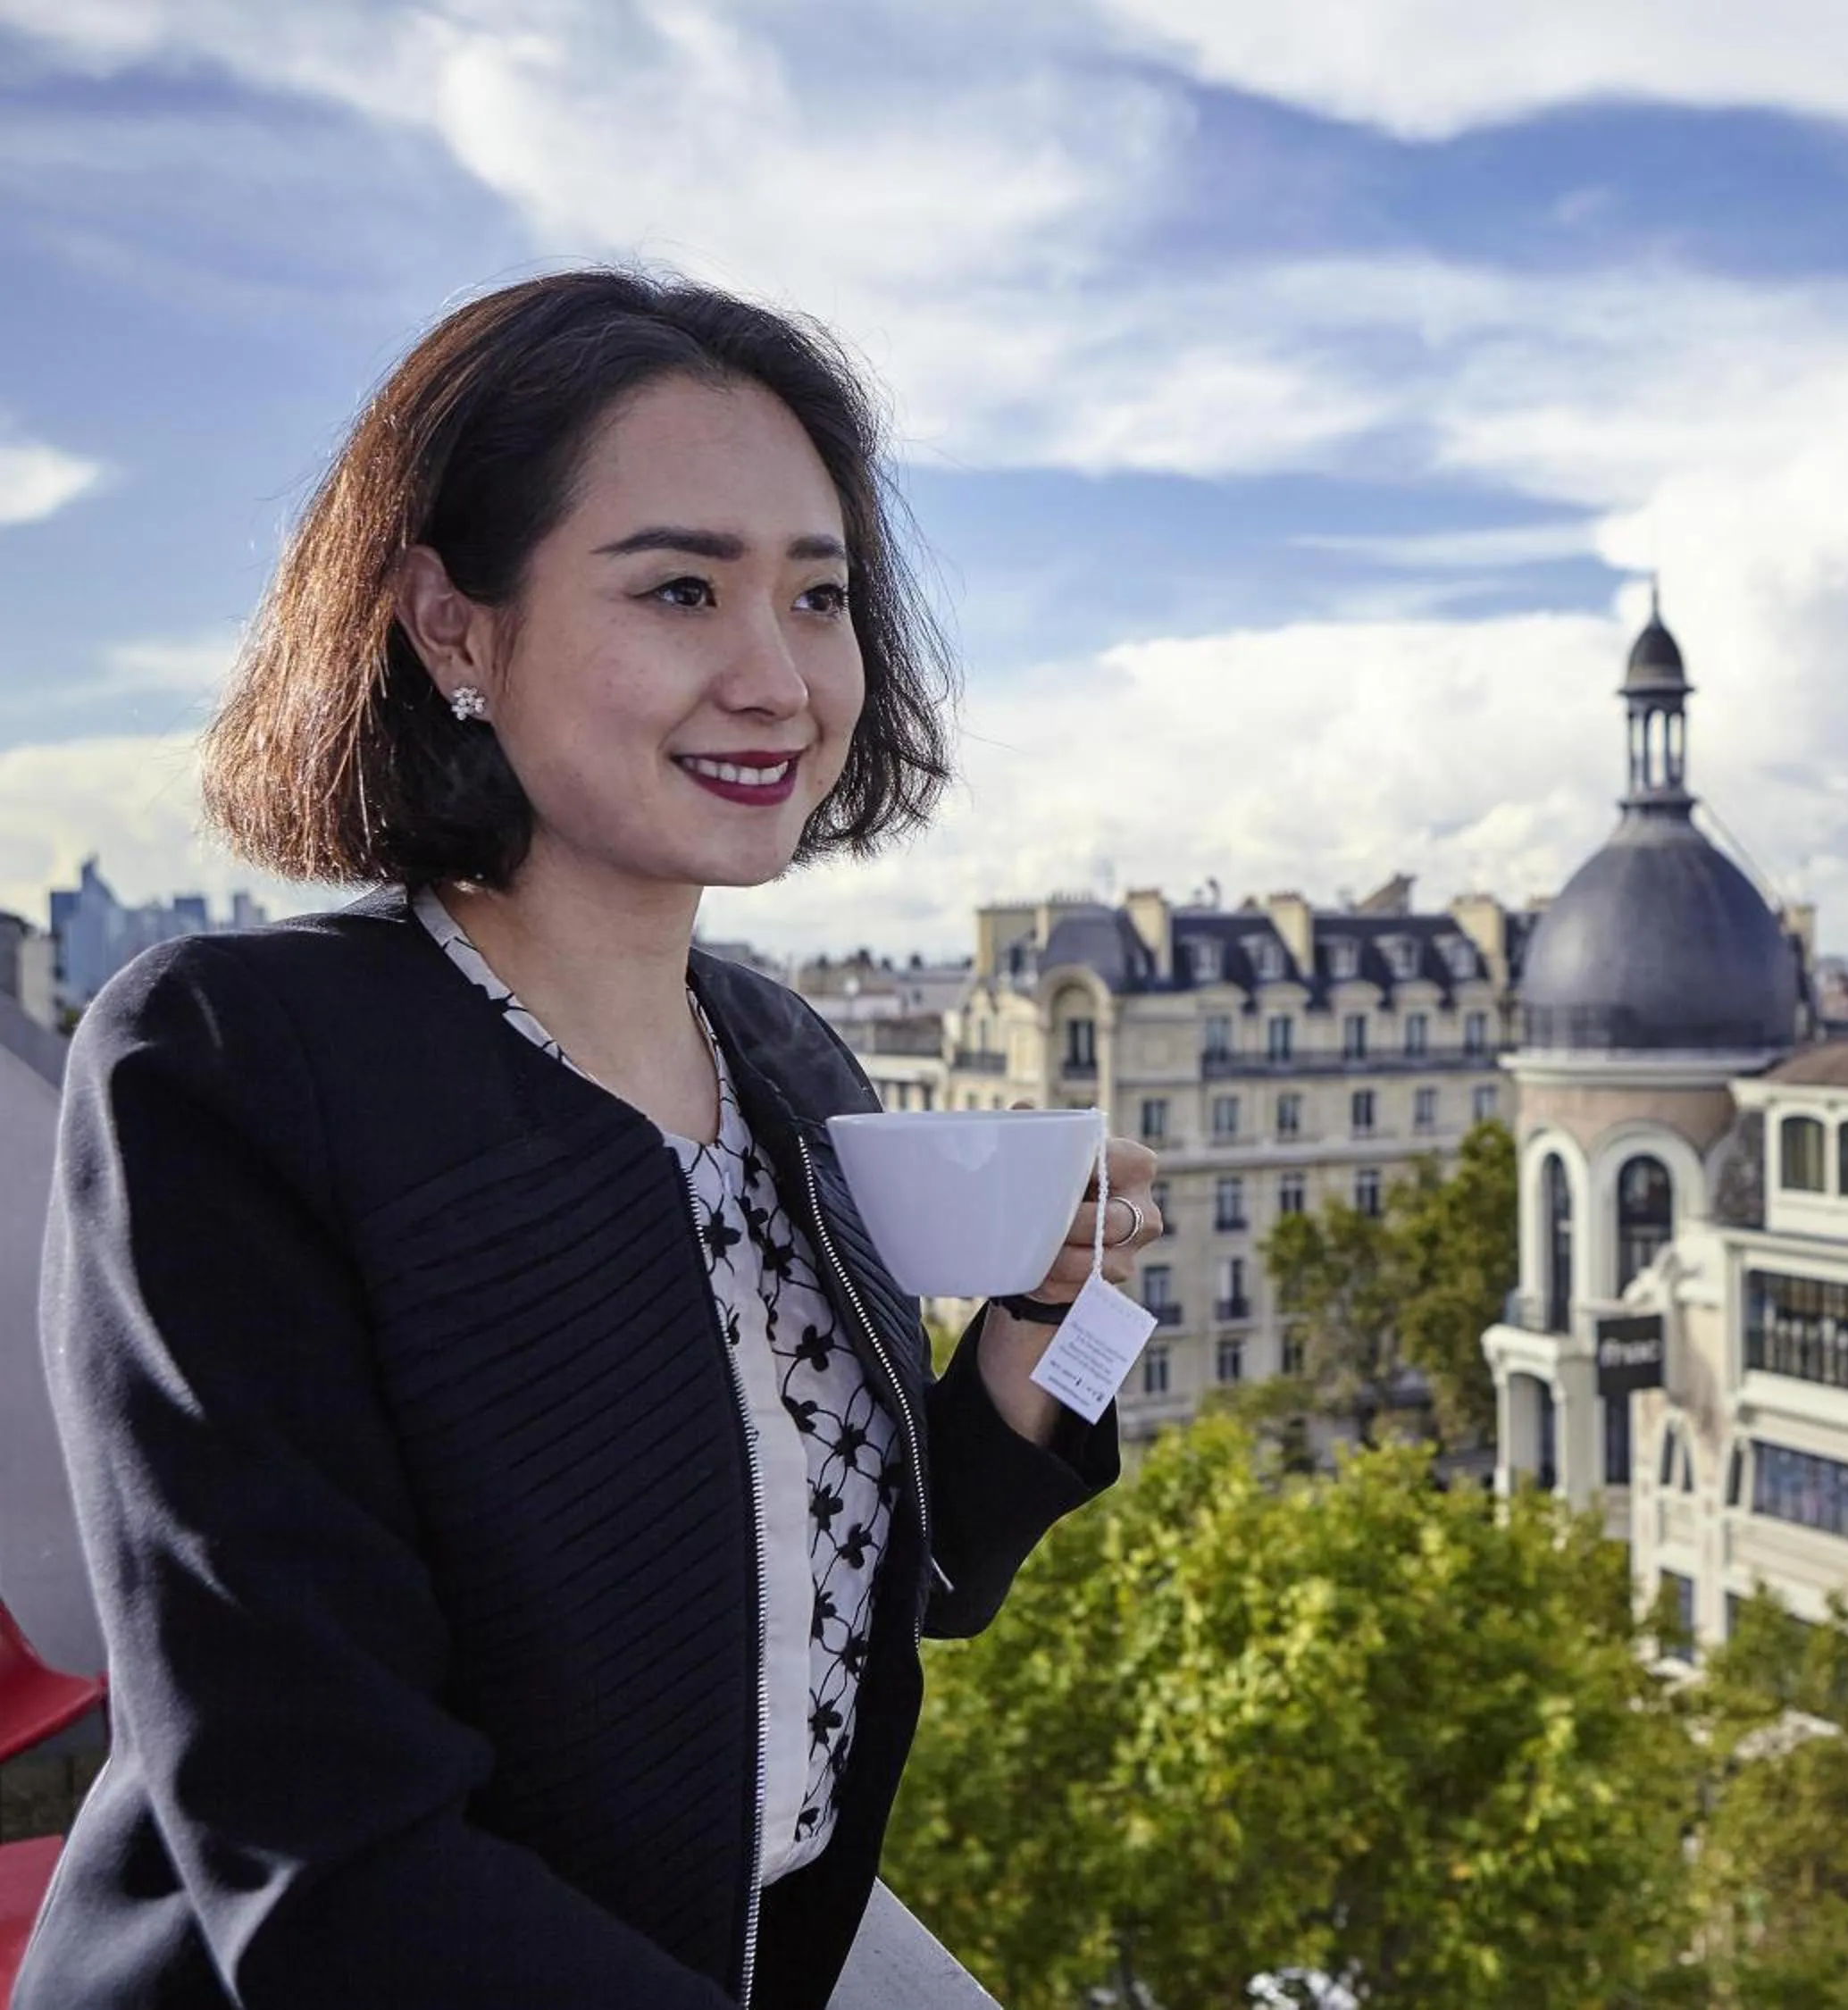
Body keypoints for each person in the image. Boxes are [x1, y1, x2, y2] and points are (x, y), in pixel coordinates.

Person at [21, 269, 1162, 2008]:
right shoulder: (231, 1065)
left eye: (820, 594)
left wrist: (1043, 1327)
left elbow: (885, 1588)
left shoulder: (781, 1055)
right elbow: (321, 1850)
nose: (778, 677)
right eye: (683, 588)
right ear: (450, 627)